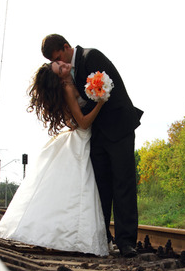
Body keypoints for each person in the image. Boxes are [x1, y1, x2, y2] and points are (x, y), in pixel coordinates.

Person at [41, 35, 143, 258]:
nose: (61, 64)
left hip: (118, 127)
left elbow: (108, 90)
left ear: (66, 47)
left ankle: (126, 242)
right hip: (96, 134)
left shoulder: (91, 57)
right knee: (100, 188)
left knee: (123, 184)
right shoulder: (67, 75)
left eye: (59, 57)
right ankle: (101, 238)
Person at [0, 61, 109, 257]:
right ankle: (68, 239)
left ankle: (64, 237)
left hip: (80, 137)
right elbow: (82, 123)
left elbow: (71, 120)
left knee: (69, 191)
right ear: (58, 78)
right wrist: (100, 102)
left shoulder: (71, 82)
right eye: (60, 69)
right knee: (79, 189)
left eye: (60, 64)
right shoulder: (66, 88)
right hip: (81, 138)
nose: (65, 66)